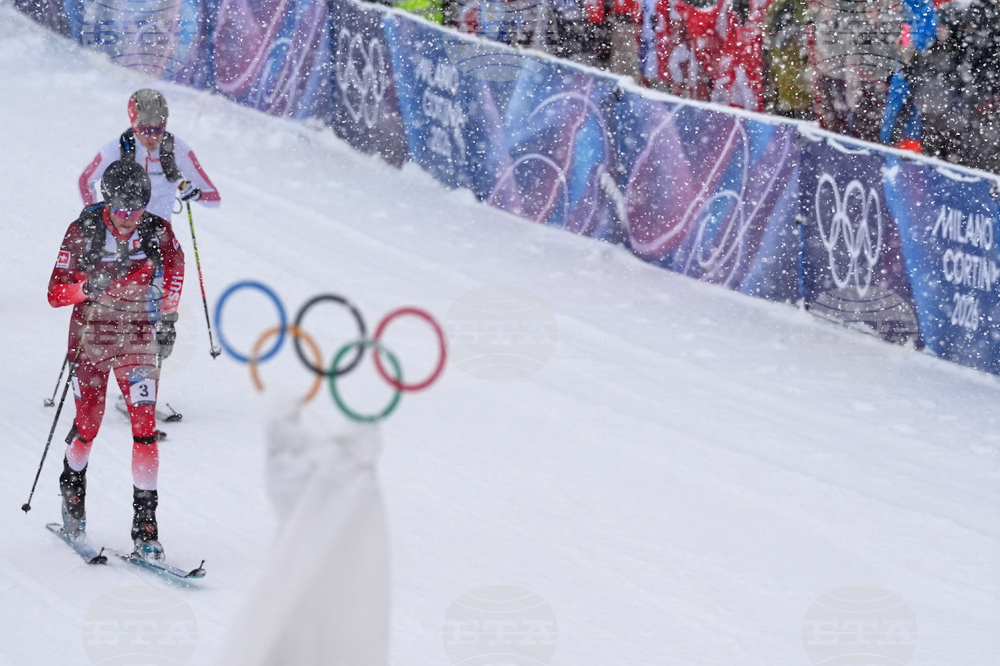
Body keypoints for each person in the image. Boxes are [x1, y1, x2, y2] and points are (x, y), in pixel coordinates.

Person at [49, 160, 185, 561]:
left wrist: (169, 316)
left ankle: (146, 528)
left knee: (144, 427)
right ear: (108, 203)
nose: (130, 219)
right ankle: (72, 495)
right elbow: (56, 293)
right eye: (122, 210)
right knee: (88, 425)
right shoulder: (83, 231)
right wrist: (85, 286)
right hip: (90, 335)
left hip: (136, 335)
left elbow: (176, 270)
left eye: (138, 209)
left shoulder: (158, 231)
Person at [78, 88, 220, 222]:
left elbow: (214, 199)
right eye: (145, 130)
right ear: (134, 126)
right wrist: (94, 215)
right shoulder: (117, 149)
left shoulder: (177, 149)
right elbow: (85, 180)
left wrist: (198, 195)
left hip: (159, 236)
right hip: (121, 234)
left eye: (159, 129)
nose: (153, 137)